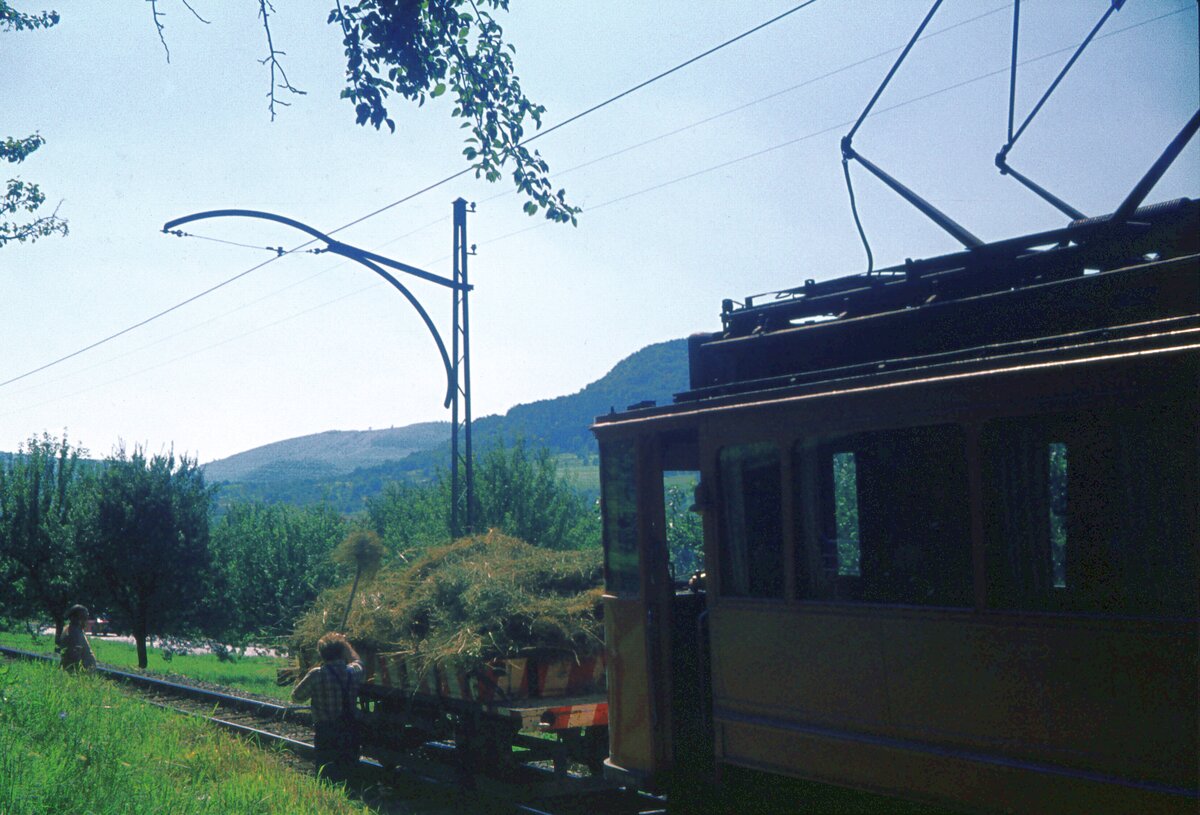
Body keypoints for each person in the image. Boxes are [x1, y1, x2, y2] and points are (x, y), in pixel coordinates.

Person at [292, 632, 363, 781]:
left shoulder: (317, 674)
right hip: (349, 729)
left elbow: (296, 697)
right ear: (343, 652)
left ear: (321, 654)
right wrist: (347, 646)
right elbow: (358, 661)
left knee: (326, 773)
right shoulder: (352, 672)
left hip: (326, 731)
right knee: (348, 771)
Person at [57, 604, 97, 671]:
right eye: (85, 618)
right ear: (79, 618)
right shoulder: (75, 633)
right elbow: (75, 654)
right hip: (83, 672)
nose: (86, 621)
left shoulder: (70, 629)